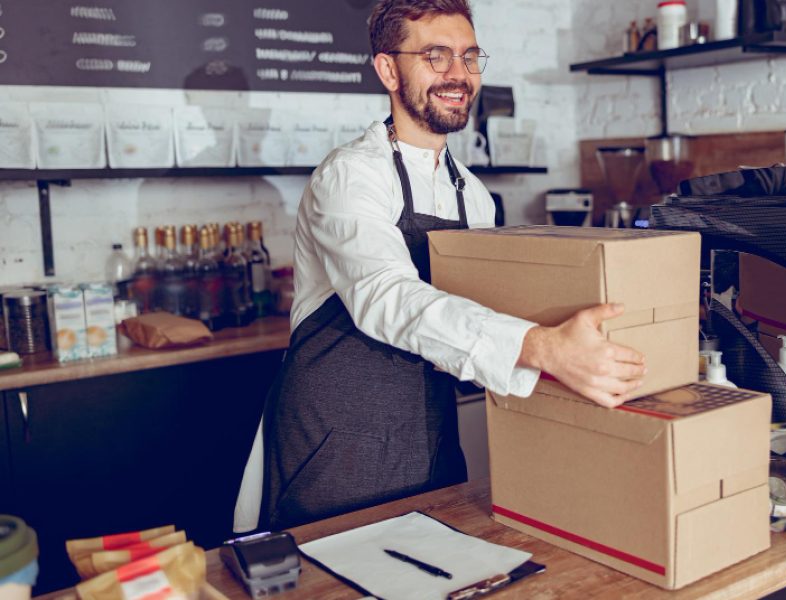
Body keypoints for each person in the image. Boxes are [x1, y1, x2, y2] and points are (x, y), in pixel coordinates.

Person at [233, 0, 646, 531]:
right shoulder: (350, 176)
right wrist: (542, 347)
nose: (459, 74)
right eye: (437, 56)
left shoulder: (473, 197)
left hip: (429, 433)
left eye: (469, 57)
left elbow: (481, 313)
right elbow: (389, 297)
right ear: (387, 70)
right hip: (335, 442)